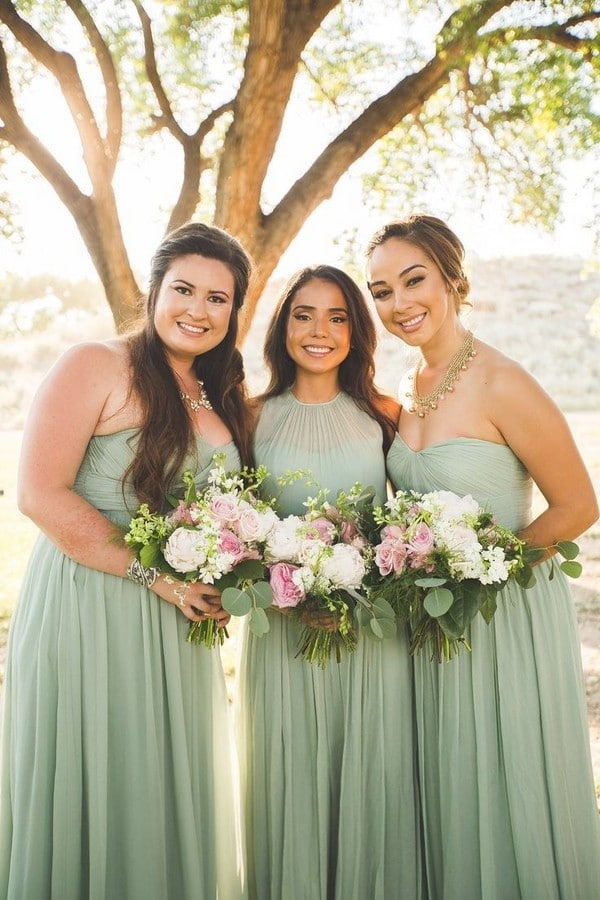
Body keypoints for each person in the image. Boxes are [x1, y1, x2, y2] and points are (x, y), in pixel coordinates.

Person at [0, 222, 254, 900]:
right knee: (97, 776)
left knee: (165, 779)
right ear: (153, 290)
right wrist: (158, 578)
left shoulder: (219, 391)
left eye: (218, 299)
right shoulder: (95, 364)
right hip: (91, 607)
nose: (198, 311)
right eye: (184, 290)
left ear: (235, 312)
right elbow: (39, 494)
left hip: (180, 622)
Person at [365, 213, 600, 900]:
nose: (399, 303)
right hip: (431, 622)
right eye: (381, 291)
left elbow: (578, 506)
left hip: (504, 615)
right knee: (448, 777)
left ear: (453, 280)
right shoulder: (406, 386)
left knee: (504, 774)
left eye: (414, 281)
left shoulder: (502, 381)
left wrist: (477, 567)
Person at [237, 265, 424, 900]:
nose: (320, 331)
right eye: (304, 314)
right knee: (286, 779)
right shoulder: (248, 416)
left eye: (338, 316)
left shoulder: (386, 414)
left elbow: (408, 524)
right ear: (282, 326)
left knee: (375, 778)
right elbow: (235, 528)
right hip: (281, 633)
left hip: (375, 635)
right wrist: (279, 587)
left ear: (356, 333)